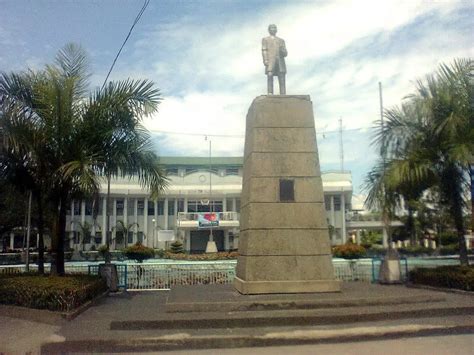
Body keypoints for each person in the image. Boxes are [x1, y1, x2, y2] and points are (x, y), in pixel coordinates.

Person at [262, 24, 287, 95]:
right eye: (271, 28)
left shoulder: (281, 40)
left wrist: (283, 50)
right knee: (270, 75)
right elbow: (264, 50)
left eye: (274, 28)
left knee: (281, 76)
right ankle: (270, 92)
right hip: (270, 61)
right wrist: (265, 60)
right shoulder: (265, 39)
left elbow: (285, 53)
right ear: (269, 30)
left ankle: (283, 93)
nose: (273, 29)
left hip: (280, 61)